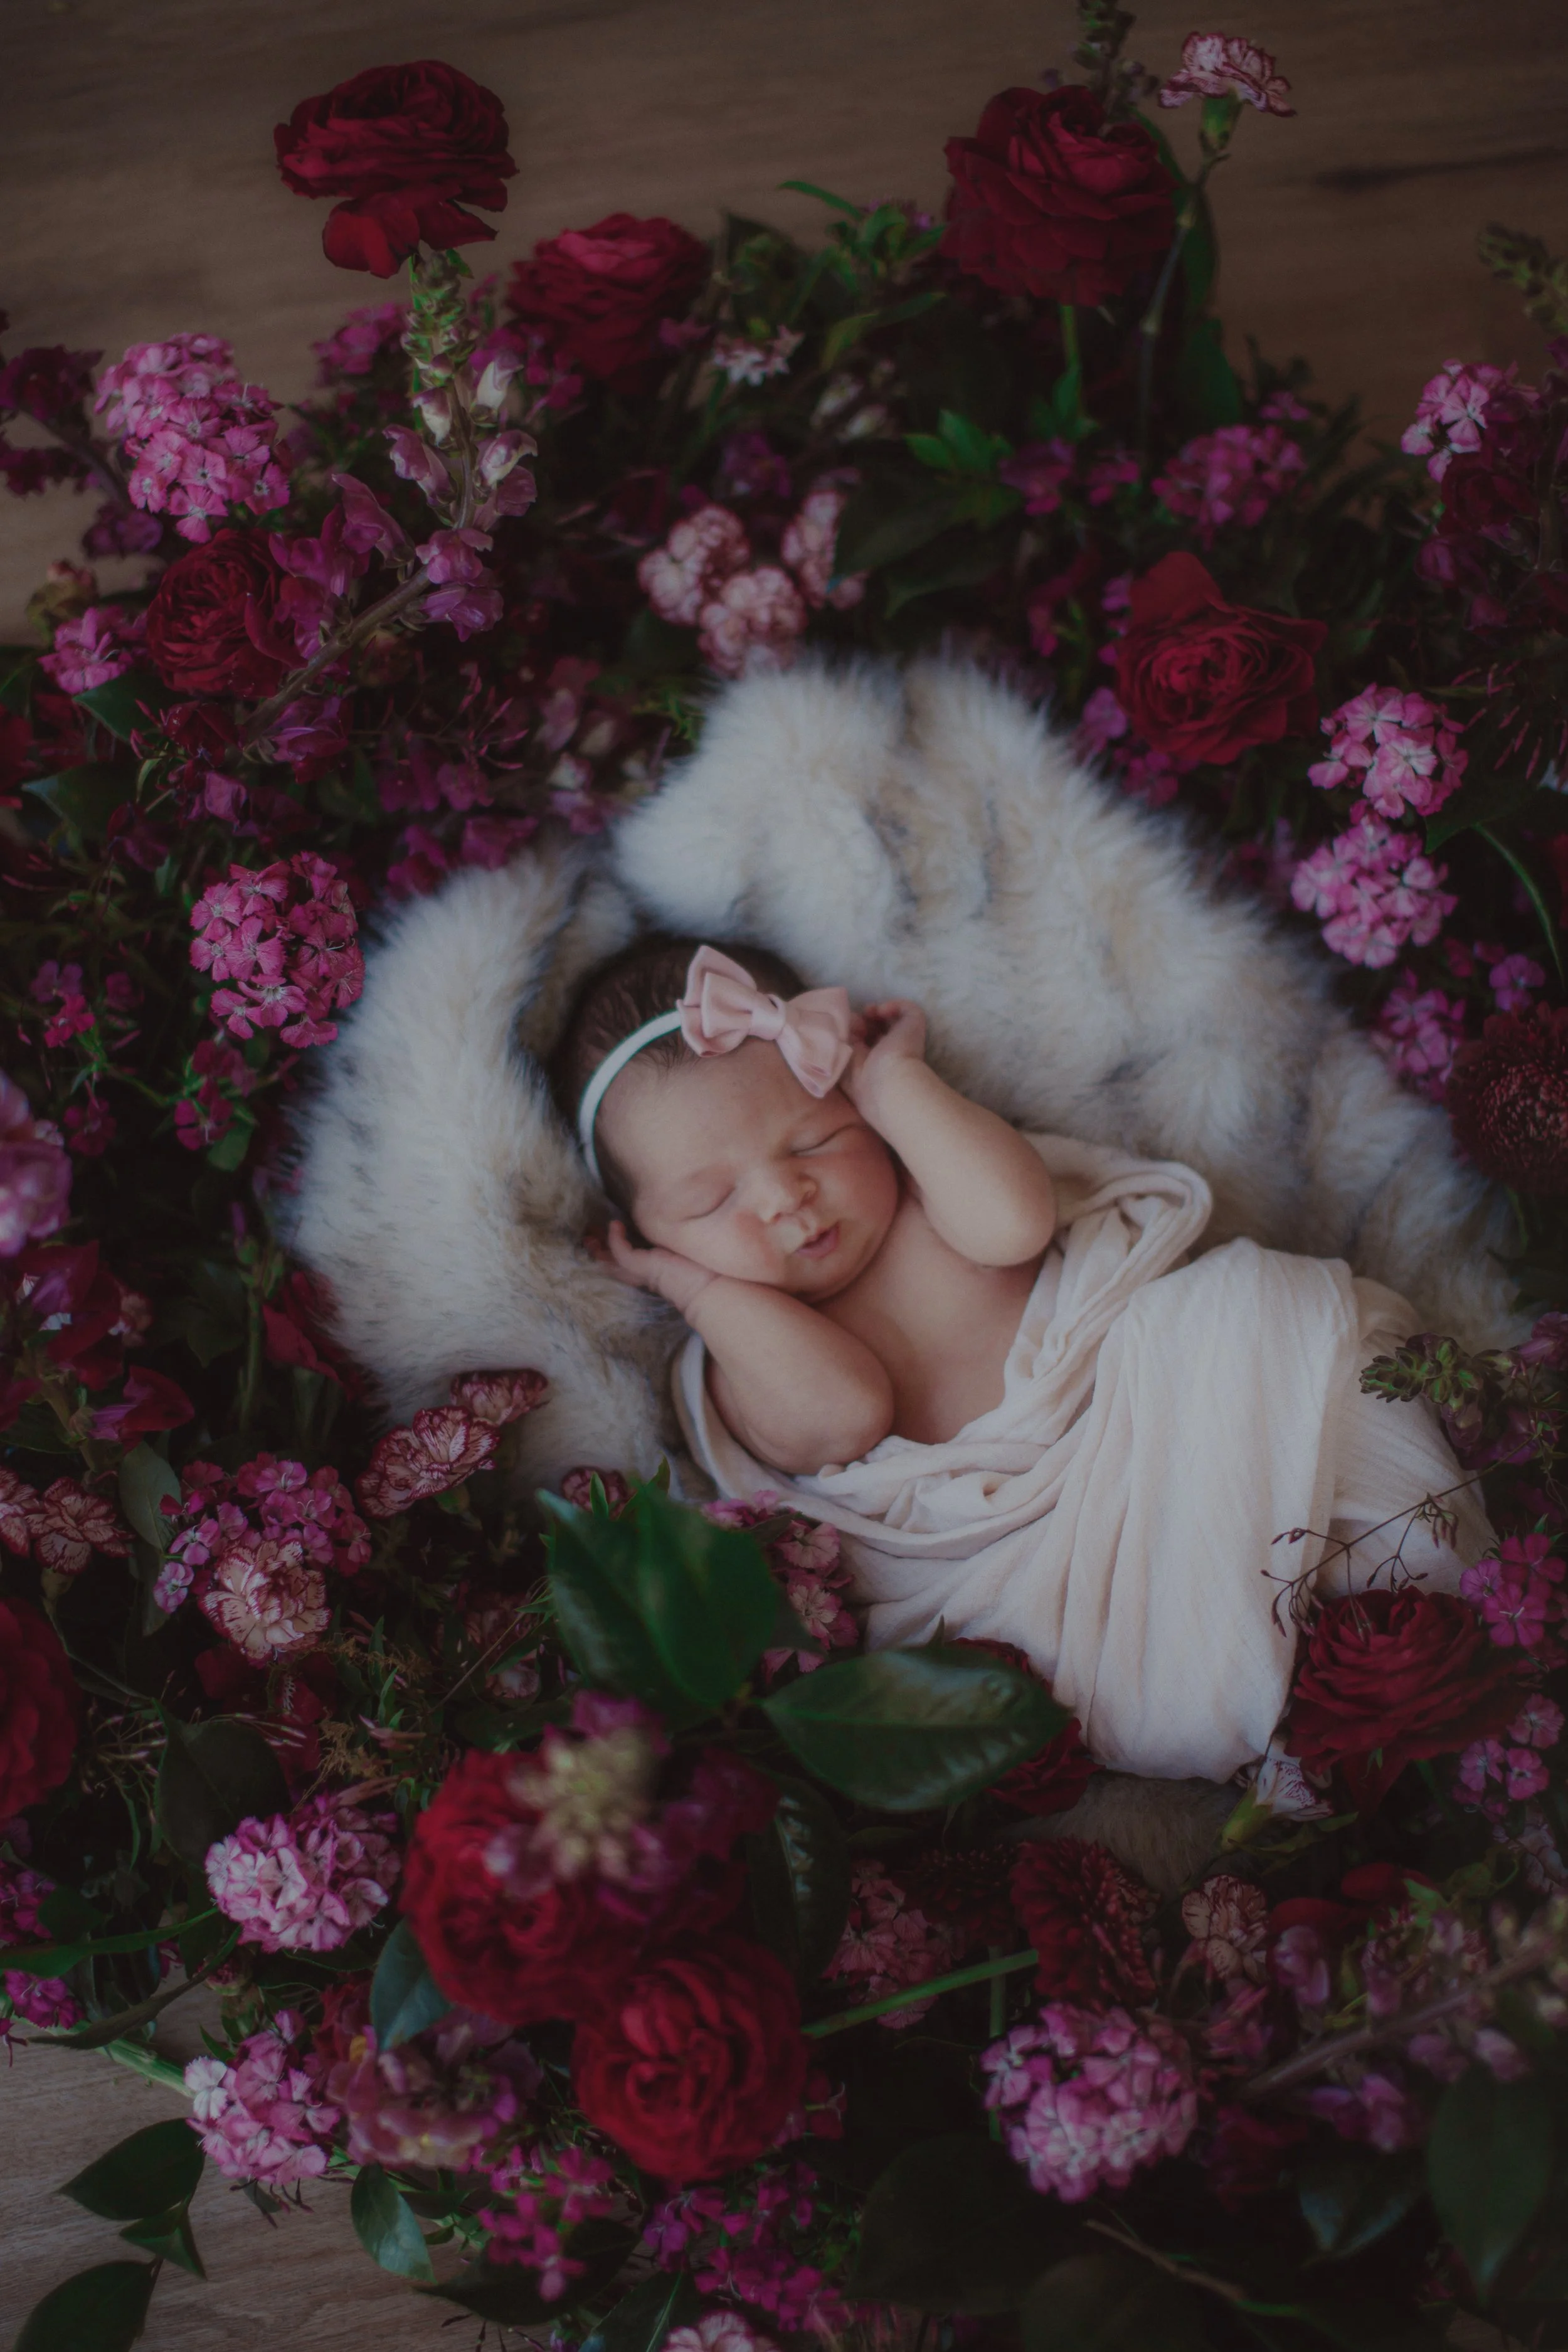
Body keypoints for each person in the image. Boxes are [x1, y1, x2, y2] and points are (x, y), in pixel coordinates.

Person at [554, 936, 1493, 1782]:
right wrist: (699, 1293)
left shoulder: (927, 1190)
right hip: (1043, 1569)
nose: (784, 1196)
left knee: (1258, 1315)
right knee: (1142, 1673)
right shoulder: (739, 1357)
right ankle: (1312, 1695)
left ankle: (1400, 1623)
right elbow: (844, 1410)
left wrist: (899, 1088)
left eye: (816, 1138)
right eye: (711, 1203)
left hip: (1166, 1414)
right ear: (649, 1236)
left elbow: (1014, 1223)